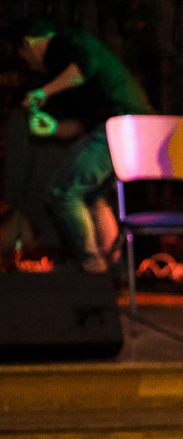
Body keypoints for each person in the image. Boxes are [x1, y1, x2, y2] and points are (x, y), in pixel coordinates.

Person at [16, 18, 151, 273]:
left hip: (121, 125)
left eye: (25, 58)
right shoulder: (65, 75)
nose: (31, 66)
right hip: (128, 130)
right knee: (92, 196)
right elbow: (79, 126)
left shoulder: (66, 41)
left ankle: (93, 267)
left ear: (29, 45)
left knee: (63, 193)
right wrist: (53, 128)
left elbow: (83, 70)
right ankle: (114, 269)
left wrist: (44, 92)